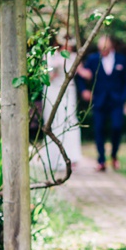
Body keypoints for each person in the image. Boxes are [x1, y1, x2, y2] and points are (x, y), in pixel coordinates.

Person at [77, 35, 126, 171]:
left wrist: (123, 98)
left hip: (116, 101)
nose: (103, 50)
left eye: (105, 48)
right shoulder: (93, 59)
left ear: (111, 46)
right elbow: (81, 76)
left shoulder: (121, 60)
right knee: (99, 129)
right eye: (101, 48)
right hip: (99, 100)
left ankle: (114, 155)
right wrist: (84, 90)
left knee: (116, 127)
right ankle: (101, 160)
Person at [35, 35, 82, 171]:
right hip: (52, 91)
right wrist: (55, 67)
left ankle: (71, 156)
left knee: (69, 120)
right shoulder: (51, 56)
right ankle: (54, 158)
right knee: (54, 122)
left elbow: (81, 73)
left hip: (68, 91)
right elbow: (47, 77)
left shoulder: (73, 57)